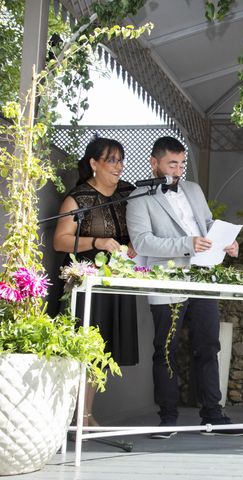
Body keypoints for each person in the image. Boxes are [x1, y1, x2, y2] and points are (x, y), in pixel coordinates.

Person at [126, 136, 243, 439]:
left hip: (203, 275)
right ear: (153, 163)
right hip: (166, 277)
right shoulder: (138, 196)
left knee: (209, 345)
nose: (179, 170)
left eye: (182, 164)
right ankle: (167, 419)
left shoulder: (193, 189)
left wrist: (225, 242)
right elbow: (142, 241)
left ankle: (212, 415)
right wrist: (186, 245)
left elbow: (206, 224)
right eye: (172, 163)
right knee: (165, 349)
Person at [53, 137, 138, 426]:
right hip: (84, 282)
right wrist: (98, 241)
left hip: (115, 280)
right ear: (94, 164)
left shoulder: (129, 194)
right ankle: (75, 416)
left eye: (120, 160)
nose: (118, 166)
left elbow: (136, 234)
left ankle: (86, 414)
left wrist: (134, 248)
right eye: (111, 160)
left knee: (102, 351)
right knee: (83, 348)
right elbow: (60, 241)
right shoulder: (78, 198)